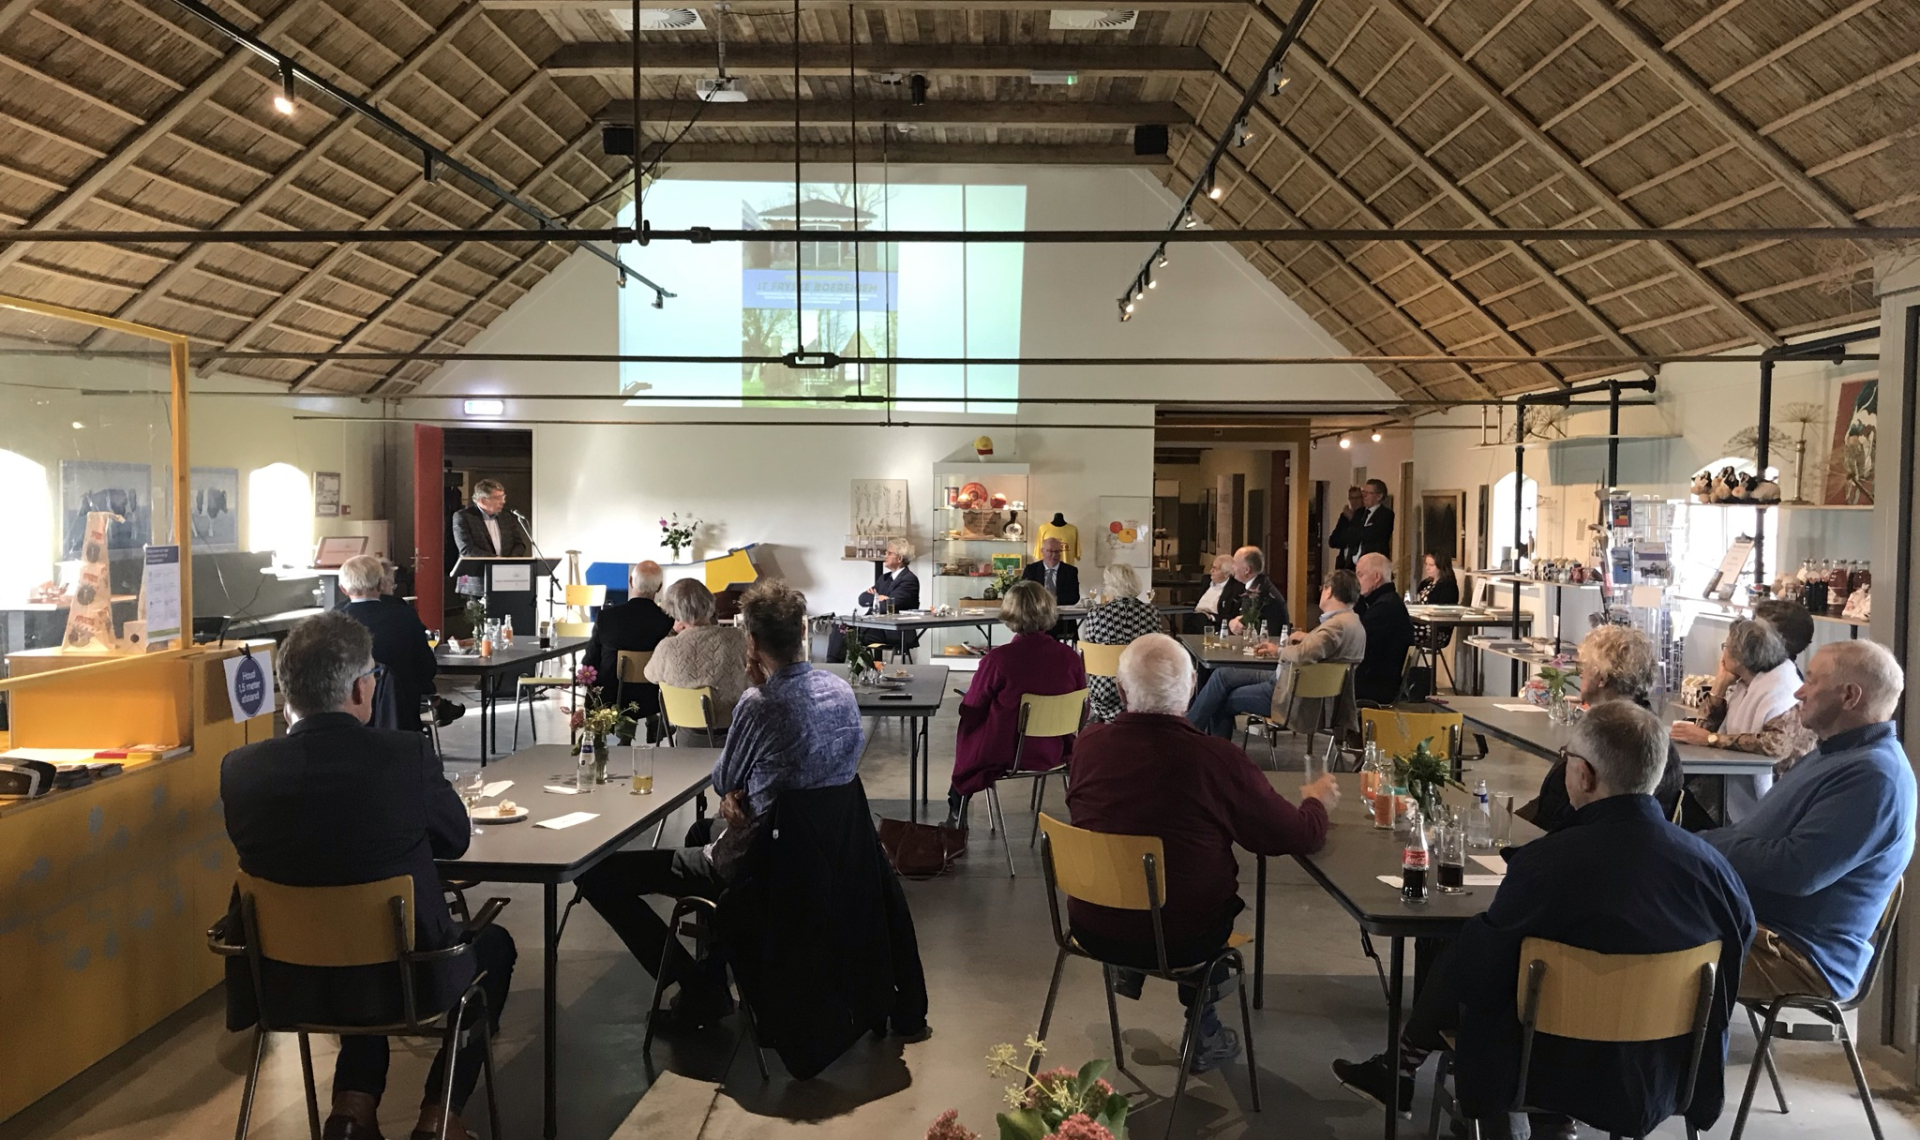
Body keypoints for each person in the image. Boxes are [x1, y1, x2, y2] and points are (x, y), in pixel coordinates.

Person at [1333, 703, 1753, 1138]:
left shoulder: (1547, 865)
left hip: (1545, 1068)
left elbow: (1479, 976)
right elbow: (1736, 954)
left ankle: (1423, 1078)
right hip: (1665, 1068)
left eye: (1565, 757)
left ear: (1584, 775)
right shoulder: (1713, 871)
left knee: (1475, 957)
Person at [220, 613, 516, 1140]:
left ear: (288, 692)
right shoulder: (403, 757)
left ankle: (352, 1110)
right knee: (489, 947)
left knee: (355, 935)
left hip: (283, 982)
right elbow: (454, 839)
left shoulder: (240, 769)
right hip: (404, 977)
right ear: (361, 687)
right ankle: (439, 1115)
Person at [576, 581, 865, 1028]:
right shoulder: (840, 691)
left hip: (757, 859)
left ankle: (697, 987)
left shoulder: (761, 703)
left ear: (751, 642)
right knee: (700, 832)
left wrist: (736, 795)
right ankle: (717, 967)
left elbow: (723, 781)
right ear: (803, 632)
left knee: (597, 875)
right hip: (823, 854)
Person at [1069, 634, 1338, 1073]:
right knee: (1196, 892)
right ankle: (1205, 1030)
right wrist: (1315, 802)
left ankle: (1131, 966)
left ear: (1119, 689)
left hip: (1093, 922)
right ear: (1193, 687)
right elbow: (1293, 836)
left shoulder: (1088, 744)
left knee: (1150, 857)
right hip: (1183, 935)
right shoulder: (1216, 759)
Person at [1702, 640, 1915, 1004]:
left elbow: (1794, 870)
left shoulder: (1875, 777)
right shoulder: (1835, 753)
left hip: (1798, 953)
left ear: (1849, 696)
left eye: (1812, 681)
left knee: (1645, 949)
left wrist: (1704, 845)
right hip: (1758, 926)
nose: (1799, 691)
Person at [1520, 625, 1696, 832]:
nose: (1580, 673)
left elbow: (1576, 816)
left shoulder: (1624, 738)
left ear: (1601, 678)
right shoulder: (1628, 726)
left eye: (1583, 667)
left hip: (1592, 842)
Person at [946, 580, 1087, 828]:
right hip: (1055, 749)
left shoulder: (998, 659)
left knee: (969, 731)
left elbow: (972, 708)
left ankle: (957, 808)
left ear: (1010, 614)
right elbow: (1081, 709)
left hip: (1007, 751)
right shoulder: (1070, 658)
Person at [1187, 570, 1365, 739]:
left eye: (1322, 588)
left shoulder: (1336, 626)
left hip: (1289, 693)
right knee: (1222, 675)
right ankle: (1190, 731)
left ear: (1329, 591)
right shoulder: (1351, 622)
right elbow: (1325, 648)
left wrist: (1277, 650)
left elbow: (1304, 654)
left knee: (1219, 698)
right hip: (1287, 680)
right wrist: (1307, 637)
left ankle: (1189, 735)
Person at [1671, 618, 1814, 820]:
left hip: (1782, 801)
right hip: (1726, 787)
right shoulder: (1745, 684)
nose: (1722, 654)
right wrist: (1719, 687)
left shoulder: (1782, 690)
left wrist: (1711, 739)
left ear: (1740, 659)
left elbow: (1774, 745)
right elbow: (1705, 727)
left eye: (1726, 647)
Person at [338, 554, 440, 733]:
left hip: (349, 721)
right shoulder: (405, 617)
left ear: (343, 589)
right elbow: (427, 668)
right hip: (400, 718)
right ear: (380, 584)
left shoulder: (333, 621)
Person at [643, 577, 751, 732]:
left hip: (688, 735)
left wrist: (673, 633)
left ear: (674, 612)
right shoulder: (737, 637)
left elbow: (650, 675)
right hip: (734, 730)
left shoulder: (667, 646)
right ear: (709, 602)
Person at [583, 560, 675, 731]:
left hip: (610, 695)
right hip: (653, 698)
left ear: (631, 582)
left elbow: (590, 660)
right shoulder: (667, 620)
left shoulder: (606, 617)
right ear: (659, 586)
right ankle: (653, 721)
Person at [1078, 562, 1162, 722]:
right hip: (1140, 688)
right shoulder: (1151, 613)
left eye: (1105, 584)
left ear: (1112, 587)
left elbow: (1090, 654)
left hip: (1105, 692)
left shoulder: (1097, 613)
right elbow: (1156, 650)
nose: (1104, 588)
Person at [827, 538, 922, 660]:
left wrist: (880, 599)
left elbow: (888, 607)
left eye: (889, 553)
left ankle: (832, 666)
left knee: (843, 631)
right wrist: (879, 598)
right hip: (876, 627)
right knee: (841, 625)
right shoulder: (884, 578)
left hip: (893, 632)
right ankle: (832, 665)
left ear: (899, 558)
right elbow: (862, 599)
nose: (885, 556)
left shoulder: (909, 580)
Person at [1352, 552, 1415, 704]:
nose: (1356, 581)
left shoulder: (1384, 608)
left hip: (1376, 686)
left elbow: (1356, 643)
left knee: (1320, 680)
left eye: (1360, 575)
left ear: (1376, 577)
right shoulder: (1384, 601)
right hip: (1378, 680)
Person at [450, 479, 529, 598]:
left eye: (503, 497)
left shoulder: (507, 516)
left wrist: (510, 561)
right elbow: (467, 549)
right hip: (477, 582)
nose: (503, 502)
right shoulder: (463, 516)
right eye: (497, 498)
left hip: (507, 579)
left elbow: (519, 544)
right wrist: (497, 560)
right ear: (482, 500)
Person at [1217, 546, 1287, 633]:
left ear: (1246, 570)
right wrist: (1232, 623)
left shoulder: (1262, 594)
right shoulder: (1253, 585)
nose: (1232, 567)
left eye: (1234, 563)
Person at [1334, 480, 1393, 568]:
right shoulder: (1359, 513)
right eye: (1363, 492)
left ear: (1379, 496)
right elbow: (1348, 536)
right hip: (1352, 565)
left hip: (1372, 566)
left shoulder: (1385, 514)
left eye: (1368, 493)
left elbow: (1371, 534)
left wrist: (1355, 531)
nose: (1364, 496)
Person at [1022, 536, 1080, 607]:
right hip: (1036, 610)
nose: (1054, 555)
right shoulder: (1031, 570)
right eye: (1050, 551)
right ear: (1042, 551)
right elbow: (1025, 594)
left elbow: (1074, 597)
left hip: (1061, 610)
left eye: (1057, 551)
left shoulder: (1070, 571)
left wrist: (1053, 600)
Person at [1327, 485, 1366, 570]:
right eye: (1352, 498)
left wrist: (1352, 519)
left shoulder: (1366, 515)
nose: (1355, 501)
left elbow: (1359, 537)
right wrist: (1346, 539)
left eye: (1357, 498)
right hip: (1343, 562)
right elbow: (1333, 541)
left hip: (1358, 563)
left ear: (1362, 498)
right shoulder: (1344, 517)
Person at [1193, 553, 1235, 622]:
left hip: (1212, 621)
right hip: (1196, 615)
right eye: (1212, 567)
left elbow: (1231, 616)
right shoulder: (1206, 581)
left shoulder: (1234, 588)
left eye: (1215, 569)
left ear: (1226, 573)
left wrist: (1211, 617)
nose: (1211, 571)